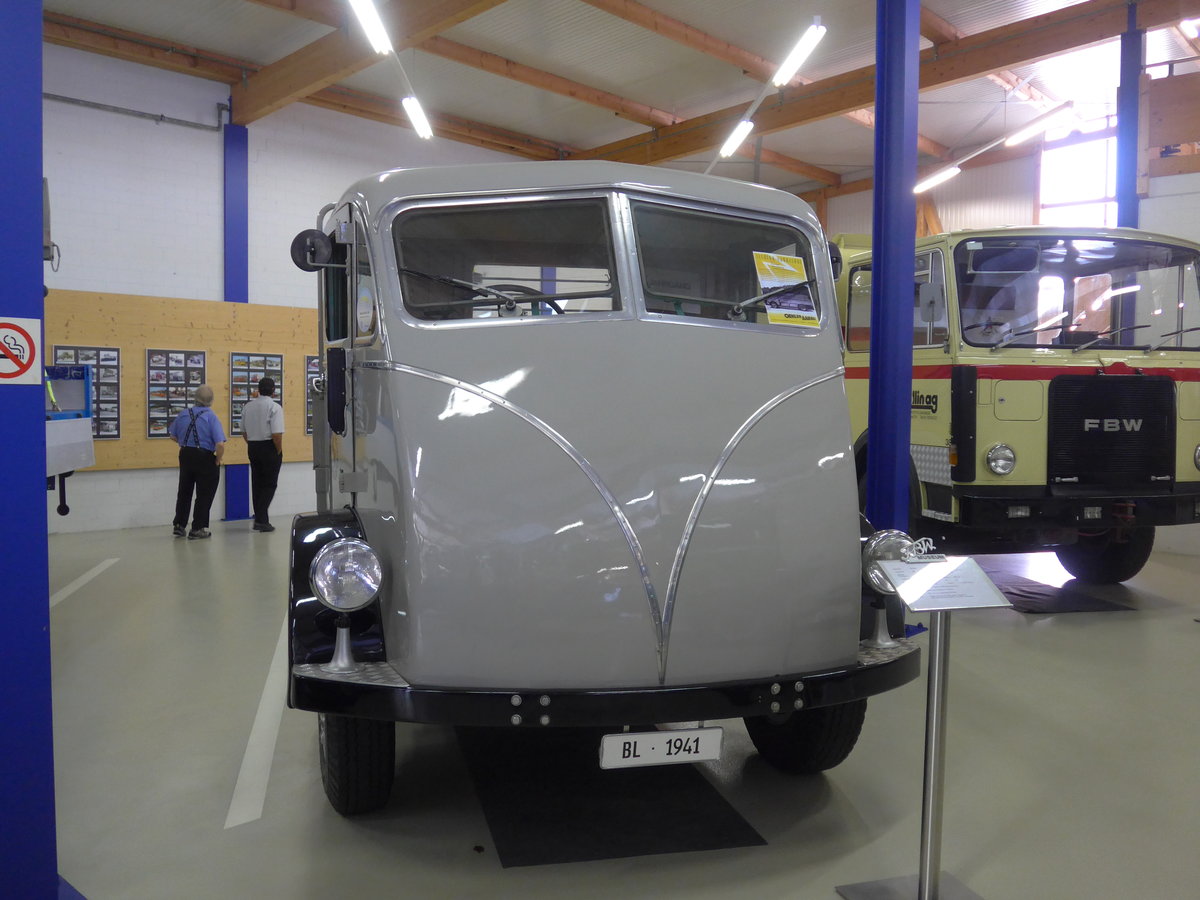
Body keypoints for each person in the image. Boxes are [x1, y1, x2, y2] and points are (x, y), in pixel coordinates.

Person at [168, 384, 226, 540]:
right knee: (204, 494)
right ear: (211, 401)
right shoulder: (211, 416)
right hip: (205, 457)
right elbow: (220, 444)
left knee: (184, 490)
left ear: (195, 399)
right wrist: (218, 460)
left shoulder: (183, 414)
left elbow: (172, 435)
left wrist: (185, 444)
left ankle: (179, 525)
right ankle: (198, 528)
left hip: (186, 454)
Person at [241, 375, 285, 532]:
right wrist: (278, 451)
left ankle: (262, 519)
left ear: (258, 390)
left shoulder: (248, 407)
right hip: (269, 447)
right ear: (273, 391)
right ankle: (260, 518)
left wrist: (253, 443)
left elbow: (244, 432)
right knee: (270, 484)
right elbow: (277, 435)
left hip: (252, 446)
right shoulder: (275, 408)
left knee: (257, 483)